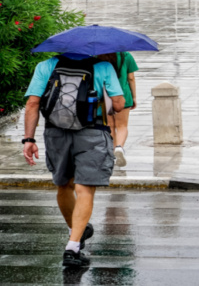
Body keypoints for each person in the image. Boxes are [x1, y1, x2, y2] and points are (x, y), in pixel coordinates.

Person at [23, 52, 125, 267]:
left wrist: (29, 139)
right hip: (93, 133)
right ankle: (73, 246)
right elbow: (117, 105)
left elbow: (33, 103)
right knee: (85, 188)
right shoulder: (103, 67)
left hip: (55, 133)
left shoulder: (46, 65)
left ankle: (75, 230)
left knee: (63, 185)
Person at [97, 52, 138, 166]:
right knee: (122, 126)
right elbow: (131, 78)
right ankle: (119, 148)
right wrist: (134, 97)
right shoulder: (126, 56)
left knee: (110, 125)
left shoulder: (97, 56)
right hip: (123, 95)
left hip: (105, 95)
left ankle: (112, 152)